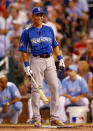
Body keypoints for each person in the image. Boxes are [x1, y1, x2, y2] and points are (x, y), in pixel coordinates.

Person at [19, 7, 65, 126]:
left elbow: (55, 45)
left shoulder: (49, 29)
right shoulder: (27, 31)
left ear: (43, 16)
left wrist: (60, 59)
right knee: (36, 89)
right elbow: (24, 50)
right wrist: (27, 65)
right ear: (32, 16)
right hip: (35, 59)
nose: (39, 17)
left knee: (55, 87)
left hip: (49, 59)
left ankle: (54, 117)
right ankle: (36, 118)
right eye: (37, 15)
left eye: (41, 15)